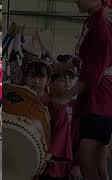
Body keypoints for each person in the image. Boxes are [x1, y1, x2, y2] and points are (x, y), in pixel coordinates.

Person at [63, 0, 112, 179]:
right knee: (99, 169)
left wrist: (68, 94)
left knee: (88, 169)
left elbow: (93, 73)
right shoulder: (95, 23)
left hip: (97, 104)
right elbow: (86, 60)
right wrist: (64, 66)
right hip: (99, 103)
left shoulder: (100, 27)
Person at [39, 68, 82, 180]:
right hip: (41, 164)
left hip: (66, 167)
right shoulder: (43, 104)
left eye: (70, 79)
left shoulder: (78, 107)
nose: (68, 83)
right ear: (51, 83)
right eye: (63, 79)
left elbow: (80, 137)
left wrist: (77, 164)